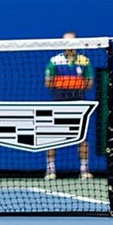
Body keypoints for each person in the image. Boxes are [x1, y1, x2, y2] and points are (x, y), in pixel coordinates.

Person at [44, 32, 93, 181]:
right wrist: (72, 83)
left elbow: (89, 83)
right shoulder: (54, 61)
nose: (69, 45)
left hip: (79, 104)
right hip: (59, 103)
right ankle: (50, 170)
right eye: (66, 42)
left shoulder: (84, 61)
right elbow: (48, 83)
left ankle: (84, 170)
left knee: (82, 138)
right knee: (51, 137)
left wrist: (65, 83)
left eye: (71, 42)